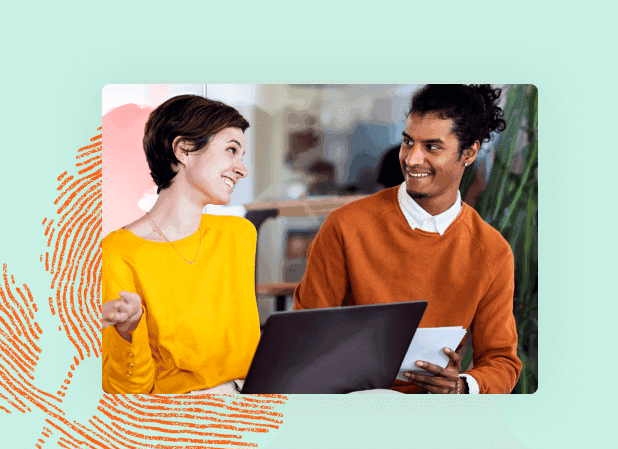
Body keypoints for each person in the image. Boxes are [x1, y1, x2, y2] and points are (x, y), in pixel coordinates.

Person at [294, 84, 522, 394]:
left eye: (432, 146)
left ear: (468, 153)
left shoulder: (491, 250)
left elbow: (500, 361)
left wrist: (461, 386)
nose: (412, 159)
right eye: (407, 142)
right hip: (350, 407)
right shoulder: (346, 226)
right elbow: (304, 339)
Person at [101, 95, 260, 394]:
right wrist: (128, 333)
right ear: (184, 149)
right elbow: (125, 394)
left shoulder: (239, 235)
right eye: (231, 150)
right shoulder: (118, 253)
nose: (242, 169)